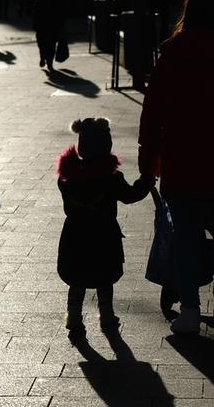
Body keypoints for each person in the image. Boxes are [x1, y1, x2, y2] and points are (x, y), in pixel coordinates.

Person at [137, 0, 214, 335]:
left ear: (186, 17)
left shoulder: (169, 61)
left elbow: (151, 118)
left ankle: (189, 311)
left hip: (182, 165)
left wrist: (149, 167)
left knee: (186, 239)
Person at [57, 118, 154, 343]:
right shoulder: (111, 179)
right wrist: (146, 182)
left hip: (75, 235)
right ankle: (107, 316)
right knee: (104, 277)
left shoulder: (67, 178)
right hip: (103, 234)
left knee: (77, 277)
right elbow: (130, 196)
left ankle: (74, 317)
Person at [33, 0, 66, 71]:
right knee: (50, 38)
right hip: (51, 11)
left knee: (43, 37)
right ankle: (47, 59)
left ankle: (45, 57)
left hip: (45, 11)